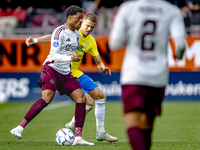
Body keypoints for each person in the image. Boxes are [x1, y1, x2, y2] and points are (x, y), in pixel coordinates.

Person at [25, 12, 118, 142]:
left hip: (76, 72)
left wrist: (102, 68)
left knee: (101, 97)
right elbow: (53, 37)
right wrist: (35, 40)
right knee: (89, 102)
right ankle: (72, 126)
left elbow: (98, 60)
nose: (89, 29)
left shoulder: (91, 41)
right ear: (82, 22)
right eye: (87, 25)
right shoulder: (73, 32)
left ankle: (100, 132)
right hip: (65, 72)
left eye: (92, 27)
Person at [10, 5, 94, 146]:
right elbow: (54, 55)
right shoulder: (59, 31)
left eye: (82, 18)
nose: (81, 21)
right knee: (47, 98)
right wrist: (70, 58)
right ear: (70, 18)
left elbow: (52, 38)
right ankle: (19, 128)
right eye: (79, 18)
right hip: (51, 68)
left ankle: (78, 138)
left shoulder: (77, 34)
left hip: (65, 72)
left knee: (81, 98)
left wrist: (36, 40)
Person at [109, 0, 186, 150]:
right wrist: (179, 55)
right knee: (147, 124)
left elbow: (115, 44)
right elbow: (181, 46)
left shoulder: (128, 8)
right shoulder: (172, 10)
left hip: (134, 73)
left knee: (132, 120)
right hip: (158, 75)